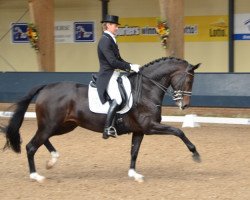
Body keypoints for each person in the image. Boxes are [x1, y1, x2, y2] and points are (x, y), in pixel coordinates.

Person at [96, 14, 140, 139]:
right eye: (115, 25)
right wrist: (129, 67)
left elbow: (119, 59)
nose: (117, 28)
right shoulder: (105, 40)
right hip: (107, 75)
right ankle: (107, 128)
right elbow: (112, 62)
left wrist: (131, 65)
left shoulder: (111, 39)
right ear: (108, 25)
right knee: (118, 99)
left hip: (114, 74)